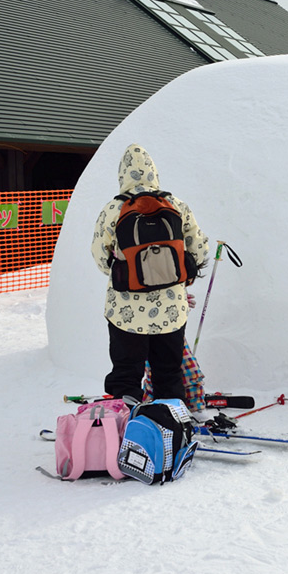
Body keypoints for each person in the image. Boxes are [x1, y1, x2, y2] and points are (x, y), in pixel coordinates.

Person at [91, 144, 210, 403]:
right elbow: (199, 248)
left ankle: (125, 423)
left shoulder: (113, 208)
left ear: (122, 174)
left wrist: (120, 270)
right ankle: (171, 425)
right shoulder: (175, 204)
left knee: (126, 372)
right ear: (154, 172)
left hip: (126, 309)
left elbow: (100, 254)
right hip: (171, 307)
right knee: (168, 371)